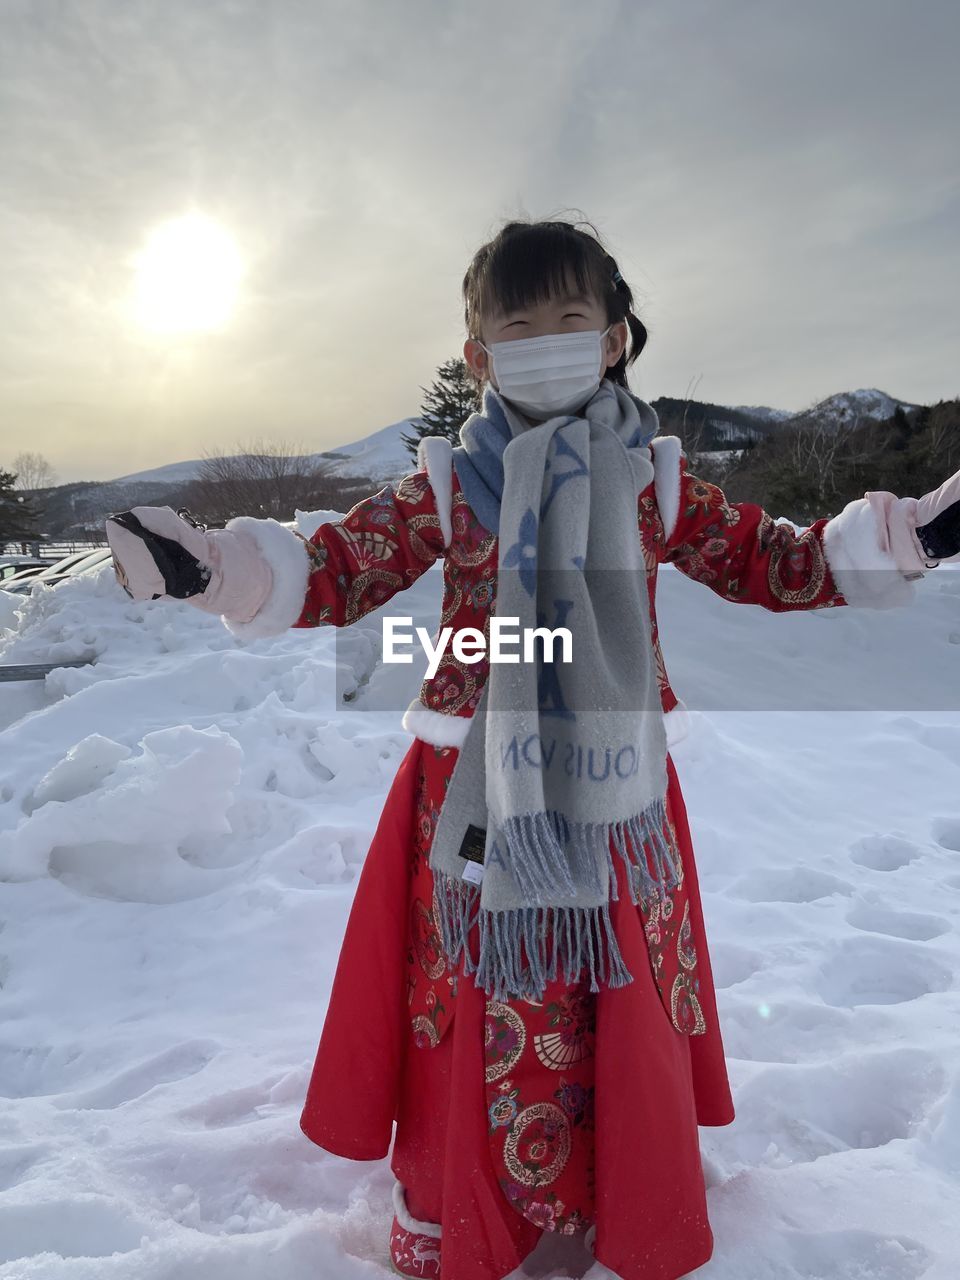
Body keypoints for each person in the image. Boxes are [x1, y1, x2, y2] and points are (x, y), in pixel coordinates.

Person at [104, 217, 960, 1280]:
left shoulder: (656, 484)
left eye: (571, 317)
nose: (548, 338)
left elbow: (769, 563)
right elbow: (336, 569)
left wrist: (904, 541)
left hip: (616, 787)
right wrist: (215, 570)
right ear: (480, 357)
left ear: (613, 339)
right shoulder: (449, 484)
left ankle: (617, 1185)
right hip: (471, 789)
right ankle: (467, 1196)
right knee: (479, 989)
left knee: (616, 981)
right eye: (520, 323)